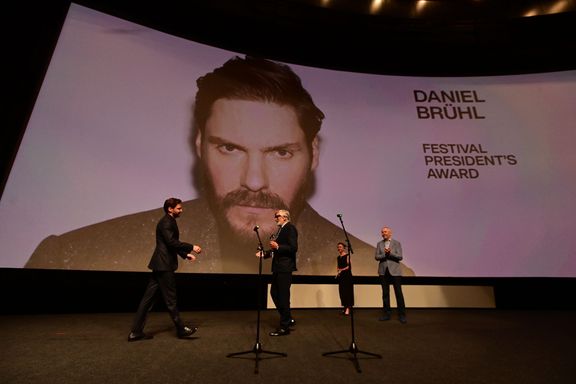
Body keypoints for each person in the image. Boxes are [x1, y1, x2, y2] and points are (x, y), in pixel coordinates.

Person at [25, 55, 414, 277]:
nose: (255, 180)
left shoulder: (367, 267)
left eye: (281, 152)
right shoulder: (71, 256)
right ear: (200, 146)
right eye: (229, 148)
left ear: (313, 153)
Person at [128, 197, 202, 341]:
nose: (181, 210)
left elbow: (169, 245)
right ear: (170, 209)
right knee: (171, 300)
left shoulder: (168, 221)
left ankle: (135, 332)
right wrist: (191, 247)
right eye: (179, 208)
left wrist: (185, 255)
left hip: (160, 264)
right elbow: (171, 242)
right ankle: (181, 329)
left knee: (147, 300)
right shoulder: (166, 222)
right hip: (164, 265)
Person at [258, 209, 297, 336]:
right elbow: (276, 250)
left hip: (285, 268)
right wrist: (266, 254)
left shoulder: (290, 228)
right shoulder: (281, 230)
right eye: (275, 216)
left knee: (283, 296)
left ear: (285, 217)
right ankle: (288, 318)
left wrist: (278, 246)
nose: (275, 219)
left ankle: (284, 326)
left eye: (277, 216)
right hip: (278, 267)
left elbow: (293, 248)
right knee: (274, 293)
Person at [375, 226, 407, 324]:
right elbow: (376, 257)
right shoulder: (379, 244)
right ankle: (386, 314)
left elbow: (400, 256)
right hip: (383, 272)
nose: (383, 233)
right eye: (382, 232)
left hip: (395, 272)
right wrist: (385, 254)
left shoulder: (397, 243)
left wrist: (390, 253)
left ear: (390, 233)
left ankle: (402, 315)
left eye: (385, 232)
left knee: (398, 293)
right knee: (385, 293)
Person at [336, 241, 354, 315]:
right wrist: (338, 271)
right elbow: (338, 266)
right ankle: (344, 307)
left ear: (343, 248)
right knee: (342, 292)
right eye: (338, 247)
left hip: (347, 276)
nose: (338, 248)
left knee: (347, 292)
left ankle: (348, 308)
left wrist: (341, 270)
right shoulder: (338, 257)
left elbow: (349, 267)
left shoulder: (347, 256)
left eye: (340, 247)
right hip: (341, 277)